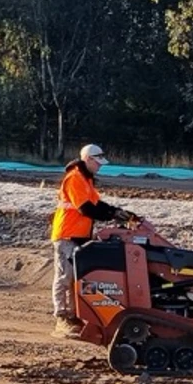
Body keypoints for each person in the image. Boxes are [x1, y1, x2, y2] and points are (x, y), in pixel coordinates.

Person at [50, 143, 135, 335]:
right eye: (98, 163)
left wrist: (116, 211)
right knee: (65, 277)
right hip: (66, 234)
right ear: (88, 159)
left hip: (79, 236)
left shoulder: (86, 180)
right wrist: (111, 215)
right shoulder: (75, 178)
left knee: (76, 279)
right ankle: (62, 317)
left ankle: (74, 316)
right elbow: (86, 209)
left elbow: (97, 203)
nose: (100, 166)